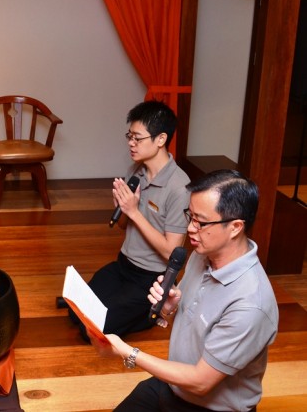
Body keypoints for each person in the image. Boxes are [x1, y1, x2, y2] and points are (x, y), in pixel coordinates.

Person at [90, 169, 278, 411]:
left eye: (200, 222)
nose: (190, 228)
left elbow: (201, 382)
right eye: (190, 216)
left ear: (235, 227)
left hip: (207, 405)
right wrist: (171, 309)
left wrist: (128, 352)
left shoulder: (251, 304)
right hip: (172, 385)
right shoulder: (202, 256)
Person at [71, 100, 190, 337]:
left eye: (137, 138)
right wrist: (123, 209)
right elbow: (124, 227)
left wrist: (134, 211)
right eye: (129, 136)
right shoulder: (136, 171)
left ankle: (150, 313)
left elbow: (171, 252)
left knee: (92, 330)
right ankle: (130, 310)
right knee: (76, 312)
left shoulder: (180, 187)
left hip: (151, 278)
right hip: (123, 265)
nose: (130, 143)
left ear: (160, 139)